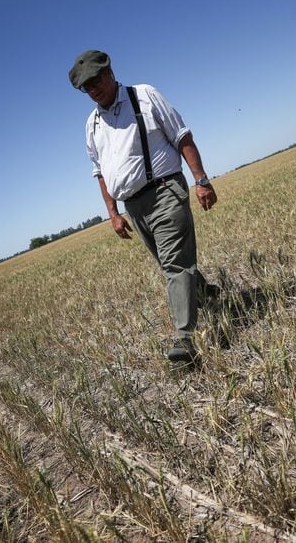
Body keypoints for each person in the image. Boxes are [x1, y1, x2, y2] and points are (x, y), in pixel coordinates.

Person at [69, 49, 218, 363]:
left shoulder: (144, 96)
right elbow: (100, 173)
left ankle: (185, 340)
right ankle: (209, 295)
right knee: (170, 264)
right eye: (86, 87)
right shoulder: (92, 124)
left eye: (95, 80)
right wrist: (113, 213)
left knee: (175, 264)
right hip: (133, 208)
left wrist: (201, 180)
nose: (93, 88)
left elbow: (182, 136)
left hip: (165, 192)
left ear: (109, 73)